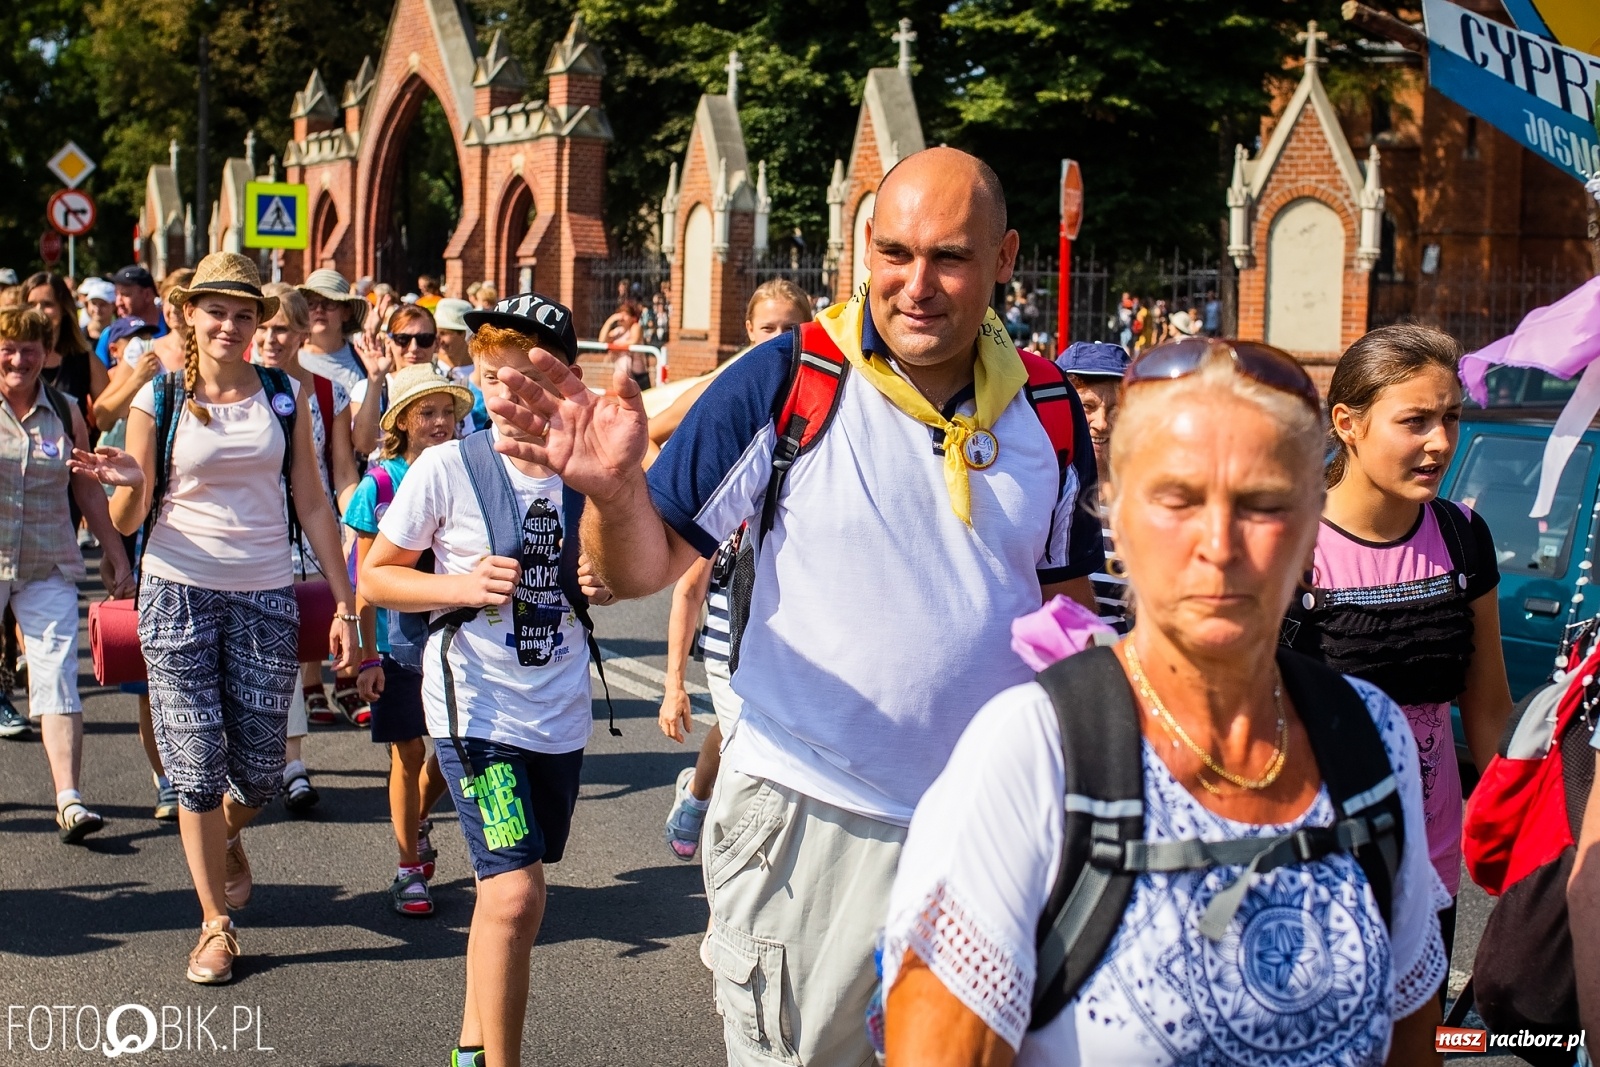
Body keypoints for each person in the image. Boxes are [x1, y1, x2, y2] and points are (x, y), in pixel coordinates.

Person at [488, 147, 1104, 1066]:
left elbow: (1068, 609)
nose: (917, 284)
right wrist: (614, 497)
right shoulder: (789, 378)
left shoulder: (1049, 407)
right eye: (894, 252)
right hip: (810, 821)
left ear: (1008, 257)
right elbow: (644, 565)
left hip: (990, 831)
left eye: (950, 257)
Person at [880, 337, 1448, 1066]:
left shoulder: (1369, 736)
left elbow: (1411, 1036)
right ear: (1114, 520)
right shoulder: (1033, 753)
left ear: (1313, 524)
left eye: (1263, 502)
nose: (1219, 543)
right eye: (1177, 498)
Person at [70, 252, 358, 984]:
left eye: (243, 312)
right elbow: (134, 512)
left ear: (257, 321)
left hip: (264, 593)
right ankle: (214, 925)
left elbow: (313, 500)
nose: (230, 324)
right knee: (196, 770)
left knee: (260, 772)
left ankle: (224, 836)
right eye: (216, 311)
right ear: (188, 315)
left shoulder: (284, 396)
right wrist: (127, 484)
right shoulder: (159, 396)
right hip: (177, 589)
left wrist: (345, 599)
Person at [360, 292, 610, 1067]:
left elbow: (633, 566)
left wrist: (606, 578)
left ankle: (470, 1049)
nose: (507, 395)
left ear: (564, 381)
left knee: (509, 899)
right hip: (476, 712)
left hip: (559, 714)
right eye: (493, 377)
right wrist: (461, 586)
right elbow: (376, 579)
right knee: (514, 893)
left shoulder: (587, 469)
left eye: (526, 379)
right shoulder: (446, 467)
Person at [1282, 323, 1513, 974]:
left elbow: (1491, 708)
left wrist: (1528, 850)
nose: (1440, 442)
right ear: (1347, 423)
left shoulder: (1464, 537)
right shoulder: (1292, 547)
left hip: (1433, 875)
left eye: (1451, 416)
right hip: (1316, 877)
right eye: (1414, 420)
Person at [659, 279, 815, 861]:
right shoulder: (728, 387)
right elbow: (687, 587)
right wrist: (674, 684)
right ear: (749, 330)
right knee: (750, 756)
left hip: (785, 630)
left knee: (737, 741)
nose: (776, 338)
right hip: (729, 625)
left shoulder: (820, 387)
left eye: (787, 327)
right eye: (766, 327)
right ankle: (730, 901)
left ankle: (697, 796)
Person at [0, 306, 134, 840]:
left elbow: (85, 488)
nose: (18, 359)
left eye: (29, 349)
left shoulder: (63, 409)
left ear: (45, 354)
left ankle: (69, 799)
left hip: (46, 561)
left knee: (55, 678)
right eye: (7, 348)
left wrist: (117, 554)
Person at [346, 363, 471, 916]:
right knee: (409, 750)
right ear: (401, 421)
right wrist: (366, 652)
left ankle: (417, 818)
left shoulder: (469, 471)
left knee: (450, 754)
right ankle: (407, 868)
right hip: (397, 644)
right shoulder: (380, 484)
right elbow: (364, 578)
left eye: (448, 411)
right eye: (428, 412)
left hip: (461, 640)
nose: (441, 422)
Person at [254, 282, 362, 792]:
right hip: (250, 534)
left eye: (281, 328)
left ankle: (292, 764)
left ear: (302, 334)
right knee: (270, 653)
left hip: (308, 532)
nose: (270, 338)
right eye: (263, 326)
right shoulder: (235, 387)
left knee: (292, 643)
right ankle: (270, 759)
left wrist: (354, 526)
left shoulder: (326, 391)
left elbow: (340, 471)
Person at [1055, 341, 1131, 632]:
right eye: (1087, 406)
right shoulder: (1043, 491)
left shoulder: (1149, 502)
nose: (1101, 423)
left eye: (1115, 409)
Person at [351, 304, 441, 457]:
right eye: (403, 339)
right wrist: (375, 381)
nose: (413, 348)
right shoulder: (368, 387)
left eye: (424, 339)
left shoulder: (450, 389)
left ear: (436, 343)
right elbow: (363, 445)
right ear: (388, 342)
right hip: (386, 480)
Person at [25, 272, 109, 424]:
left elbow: (108, 414)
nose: (38, 311)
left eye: (47, 304)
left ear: (63, 308)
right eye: (31, 304)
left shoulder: (84, 358)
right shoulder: (9, 358)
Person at [296, 269, 370, 395]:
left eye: (329, 303)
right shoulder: (290, 359)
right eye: (311, 304)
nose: (319, 309)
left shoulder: (364, 362)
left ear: (346, 313)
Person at [95, 266, 168, 366]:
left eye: (125, 294)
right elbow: (100, 378)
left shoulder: (172, 327)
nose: (118, 303)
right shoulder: (110, 334)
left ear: (147, 294)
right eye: (116, 295)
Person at [599, 301, 648, 390]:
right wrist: (611, 320)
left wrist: (616, 346)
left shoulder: (635, 327)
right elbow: (602, 340)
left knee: (644, 400)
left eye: (625, 315)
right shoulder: (618, 331)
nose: (621, 318)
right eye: (620, 314)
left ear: (633, 318)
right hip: (623, 374)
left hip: (638, 375)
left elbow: (634, 340)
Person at [434, 298, 475, 379]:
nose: (437, 339)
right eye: (435, 332)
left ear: (464, 333)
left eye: (443, 333)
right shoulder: (427, 369)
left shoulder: (479, 375)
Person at [80, 278, 117, 348]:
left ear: (113, 305)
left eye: (103, 304)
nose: (97, 309)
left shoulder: (119, 335)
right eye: (93, 303)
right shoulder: (78, 335)